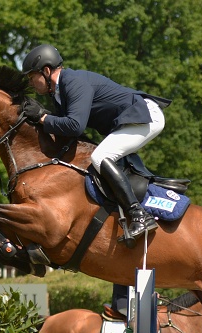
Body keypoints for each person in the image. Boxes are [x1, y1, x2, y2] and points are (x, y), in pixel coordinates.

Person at [20, 43, 171, 240]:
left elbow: (75, 126)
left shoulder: (72, 82)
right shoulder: (58, 93)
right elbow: (65, 129)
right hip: (132, 120)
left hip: (145, 116)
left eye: (32, 77)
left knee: (100, 157)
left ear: (46, 71)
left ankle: (139, 215)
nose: (31, 83)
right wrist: (39, 119)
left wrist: (42, 117)